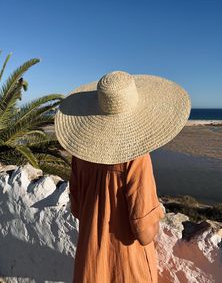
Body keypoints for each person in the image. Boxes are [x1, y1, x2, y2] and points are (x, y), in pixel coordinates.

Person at [54, 71, 191, 282]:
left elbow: (78, 210)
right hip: (126, 268)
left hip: (90, 266)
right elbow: (145, 233)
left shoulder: (80, 155)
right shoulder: (136, 158)